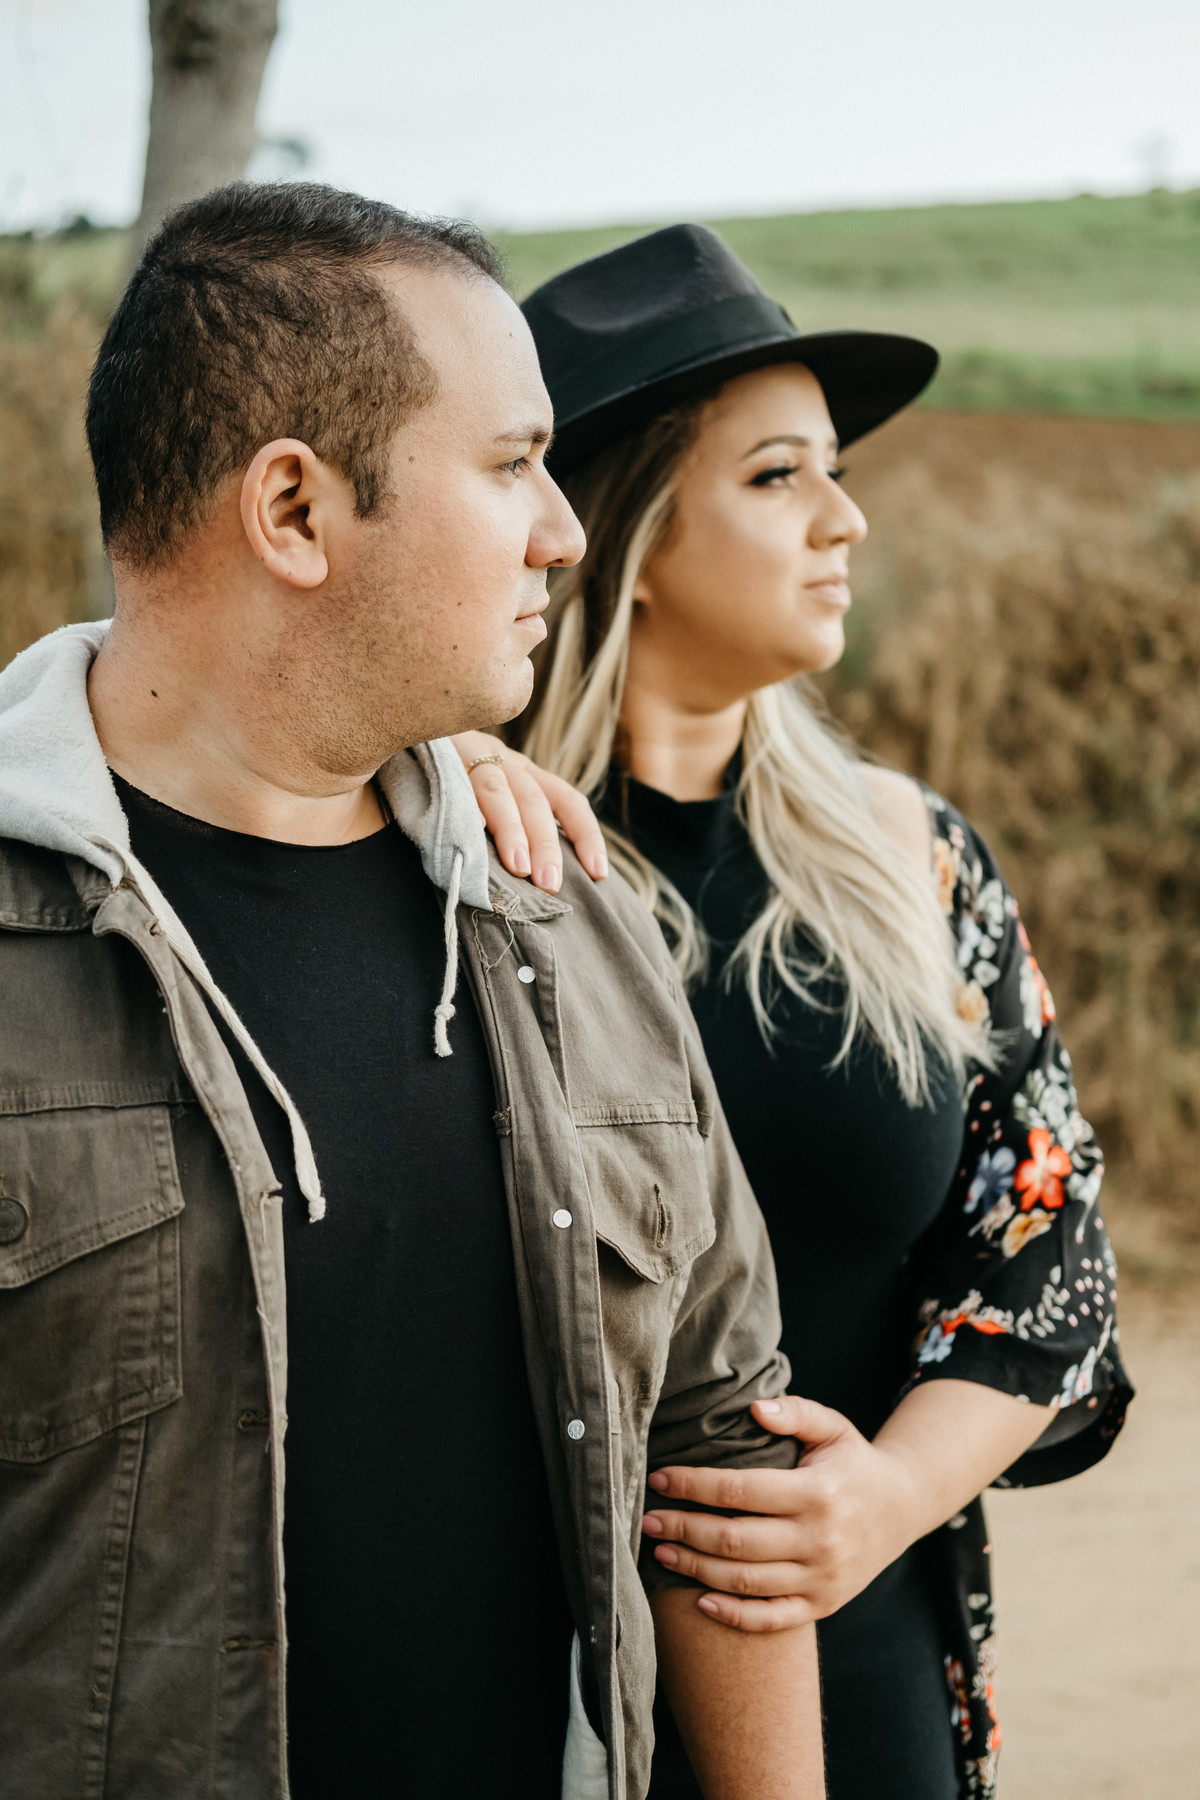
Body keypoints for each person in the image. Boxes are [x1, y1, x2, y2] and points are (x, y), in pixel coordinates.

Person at [0, 187, 830, 1800]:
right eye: (514, 464)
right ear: (296, 510)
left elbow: (715, 1446)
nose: (566, 528)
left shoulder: (569, 909)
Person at [453, 224, 1132, 1800]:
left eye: (833, 471)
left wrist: (882, 1498)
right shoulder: (474, 858)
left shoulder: (912, 856)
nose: (847, 518)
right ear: (623, 522)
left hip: (862, 1653)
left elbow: (1045, 1247)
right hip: (540, 1687)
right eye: (778, 477)